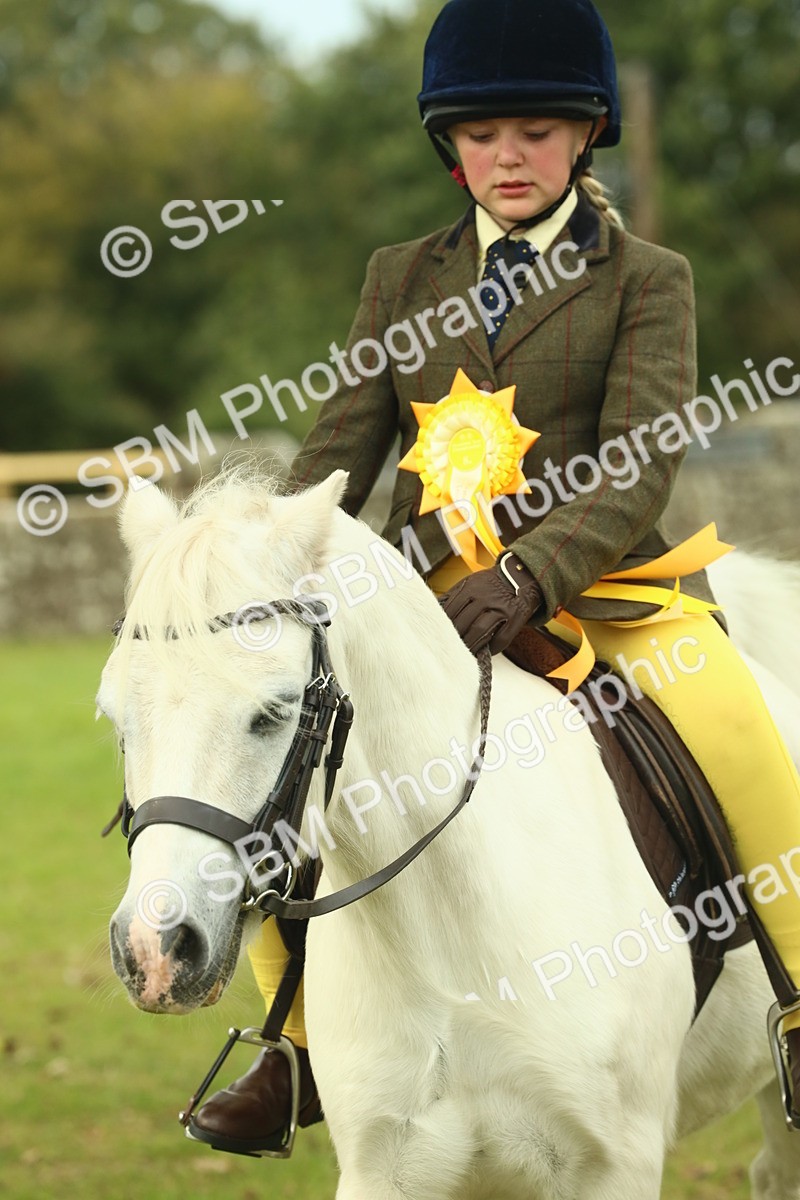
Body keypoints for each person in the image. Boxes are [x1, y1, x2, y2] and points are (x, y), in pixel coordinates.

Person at [191, 0, 800, 1153]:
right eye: (481, 135)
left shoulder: (645, 278)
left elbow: (637, 462)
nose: (506, 156)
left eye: (535, 130)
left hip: (604, 594)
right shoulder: (398, 276)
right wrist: (274, 552)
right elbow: (339, 451)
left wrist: (526, 574)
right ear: (448, 145)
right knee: (283, 782)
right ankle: (297, 1044)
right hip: (425, 614)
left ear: (584, 137)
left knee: (741, 734)